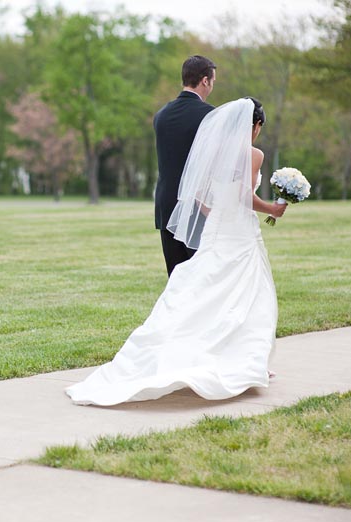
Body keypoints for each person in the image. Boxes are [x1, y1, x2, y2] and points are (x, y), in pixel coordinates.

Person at [66, 98, 287, 406]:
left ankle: (237, 359)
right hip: (239, 234)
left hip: (218, 230)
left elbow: (197, 195)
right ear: (256, 126)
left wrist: (217, 216)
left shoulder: (215, 153)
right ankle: (246, 361)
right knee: (247, 294)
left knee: (207, 291)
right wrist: (273, 209)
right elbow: (244, 197)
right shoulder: (253, 154)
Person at [154, 55, 216, 276]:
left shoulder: (161, 115)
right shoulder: (210, 116)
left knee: (176, 279)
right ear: (205, 81)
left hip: (165, 204)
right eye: (212, 82)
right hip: (196, 206)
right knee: (202, 277)